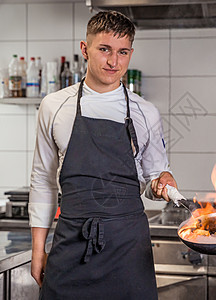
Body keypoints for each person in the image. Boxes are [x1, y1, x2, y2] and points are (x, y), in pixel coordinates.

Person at [29, 10, 178, 300]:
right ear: (85, 49)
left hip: (128, 250)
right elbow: (42, 181)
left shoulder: (145, 112)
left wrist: (163, 183)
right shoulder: (55, 106)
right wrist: (38, 250)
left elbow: (153, 179)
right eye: (104, 50)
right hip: (70, 243)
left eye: (123, 52)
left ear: (131, 53)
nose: (113, 62)